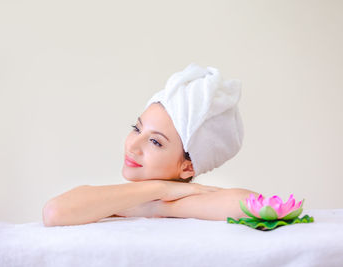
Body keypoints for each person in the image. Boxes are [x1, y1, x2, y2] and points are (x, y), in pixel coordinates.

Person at [42, 63, 259, 227]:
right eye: (136, 128)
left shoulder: (193, 199)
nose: (133, 145)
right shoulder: (119, 200)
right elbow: (54, 212)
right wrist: (162, 188)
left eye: (155, 141)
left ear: (187, 167)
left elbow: (250, 204)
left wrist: (156, 205)